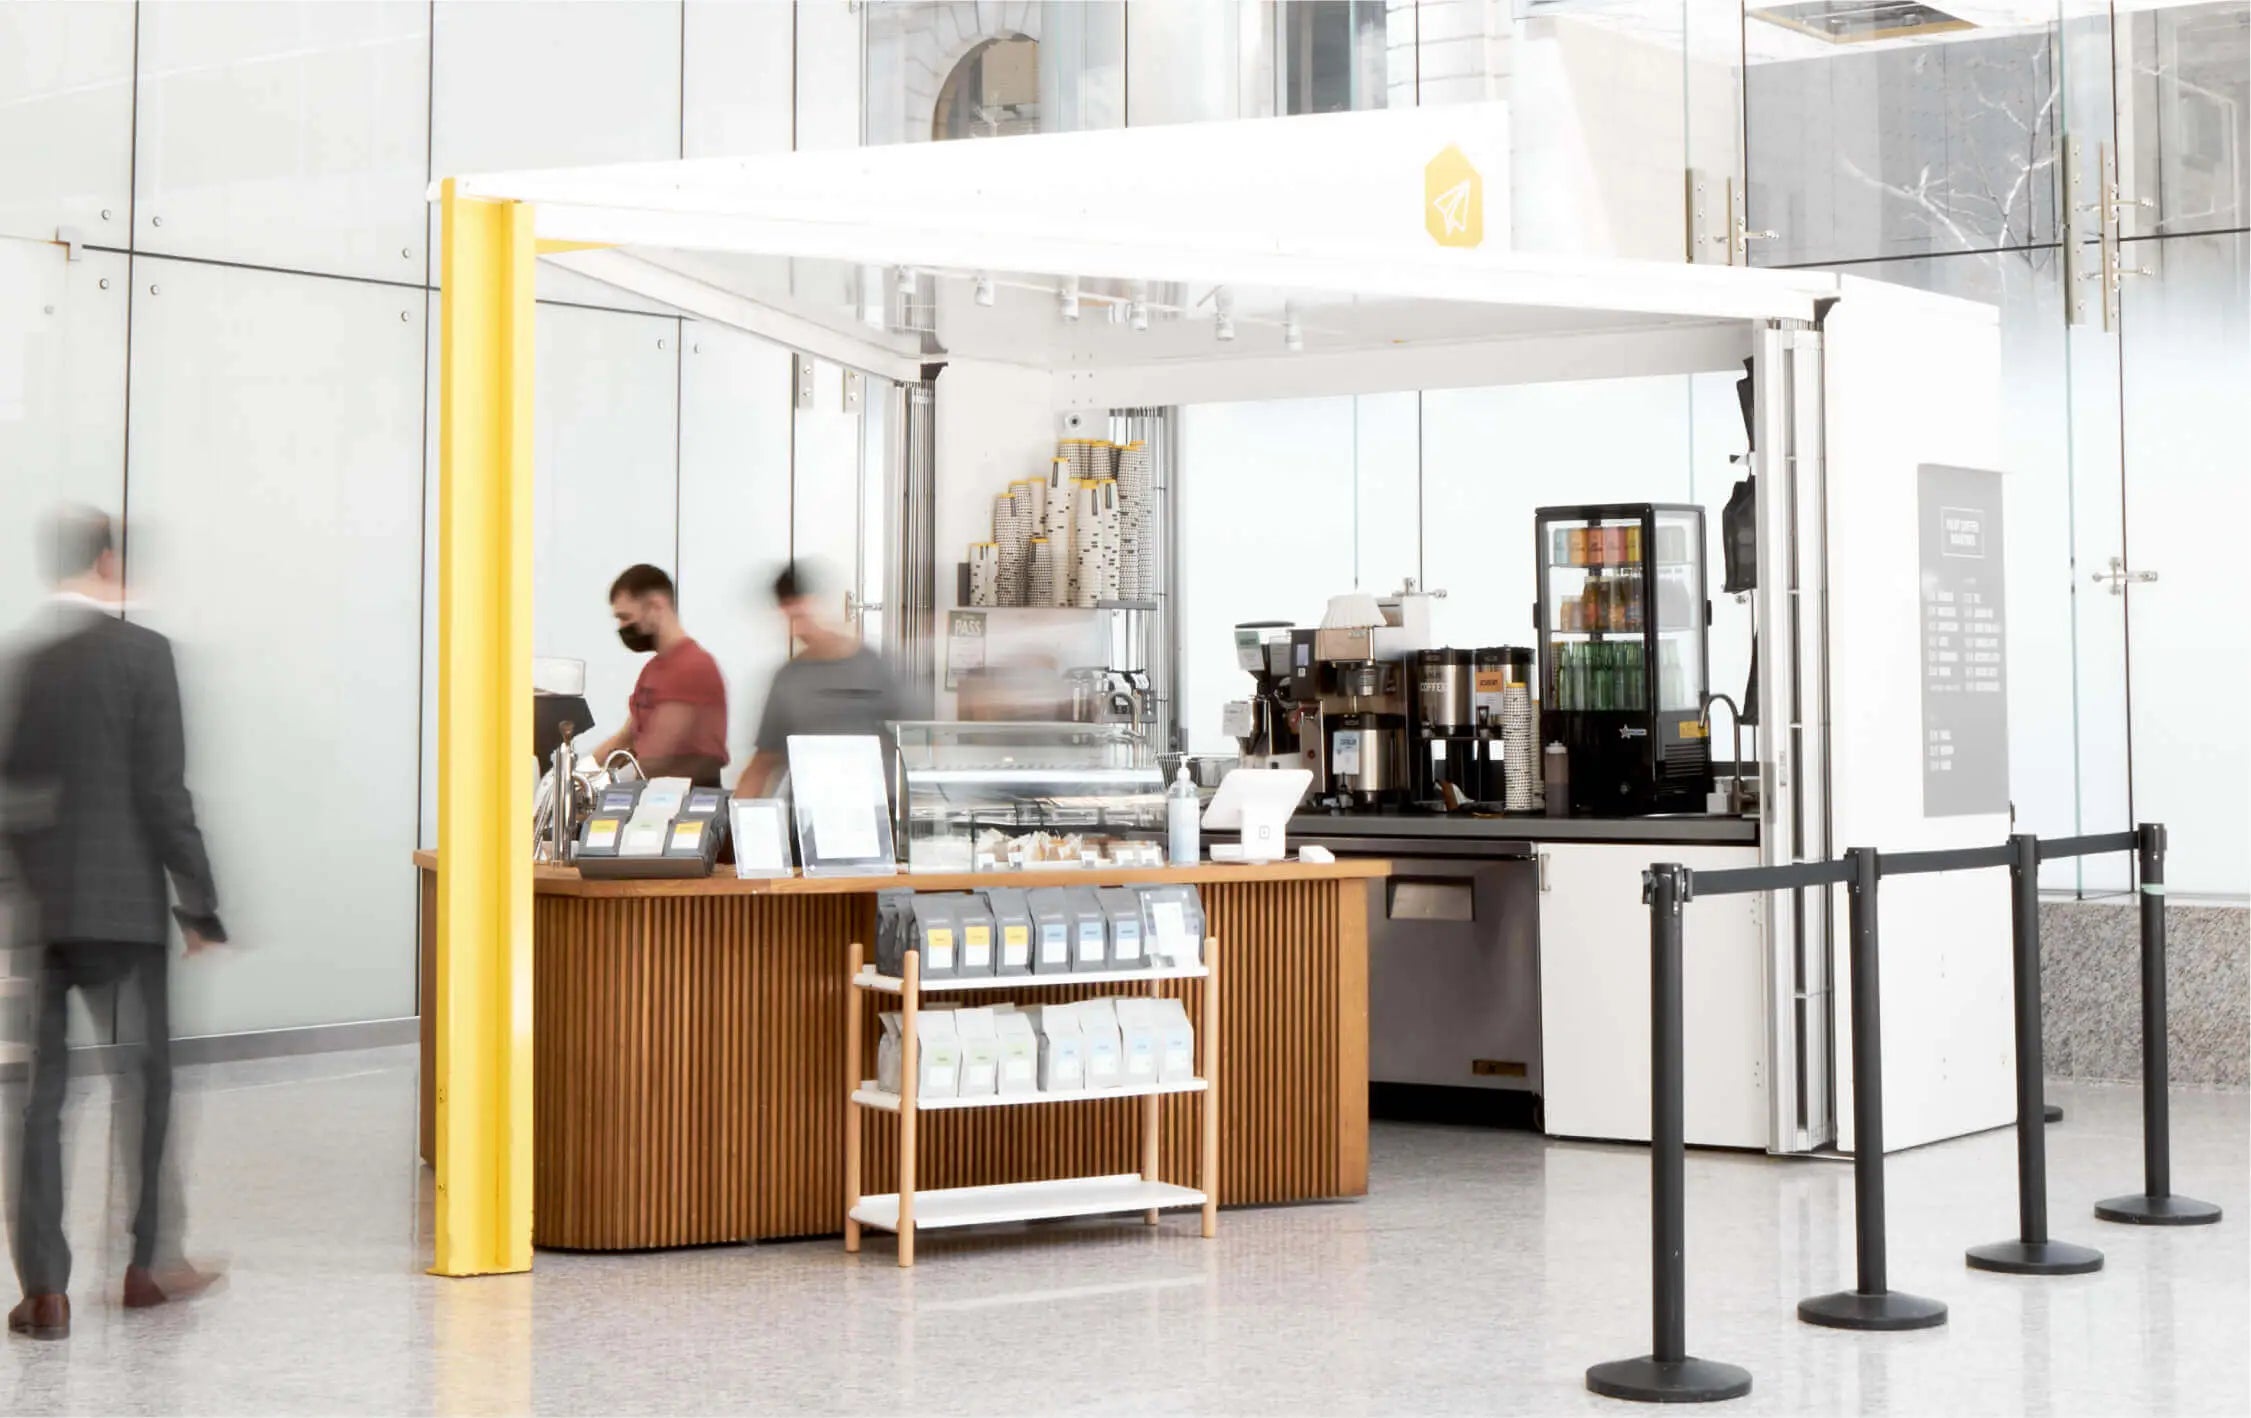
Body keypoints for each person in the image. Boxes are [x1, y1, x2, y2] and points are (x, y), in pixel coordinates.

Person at [2, 507, 224, 1341]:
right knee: (147, 1083)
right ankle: (146, 1265)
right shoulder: (144, 656)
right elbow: (165, 794)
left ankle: (45, 1292)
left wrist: (24, 881)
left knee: (41, 1102)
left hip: (52, 909)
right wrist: (198, 904)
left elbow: (13, 786)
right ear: (106, 562)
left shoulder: (29, 665)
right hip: (128, 909)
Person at [735, 561, 919, 799]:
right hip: (809, 816)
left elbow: (917, 743)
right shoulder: (788, 679)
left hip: (877, 811)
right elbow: (763, 763)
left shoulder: (877, 666)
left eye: (801, 614)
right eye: (790, 619)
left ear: (822, 604)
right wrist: (731, 825)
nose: (799, 630)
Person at [589, 564, 729, 786]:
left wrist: (605, 789)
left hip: (687, 804)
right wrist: (578, 772)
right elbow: (628, 737)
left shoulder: (694, 667)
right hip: (653, 797)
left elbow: (659, 752)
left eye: (626, 617)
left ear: (656, 605)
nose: (622, 627)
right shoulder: (652, 670)